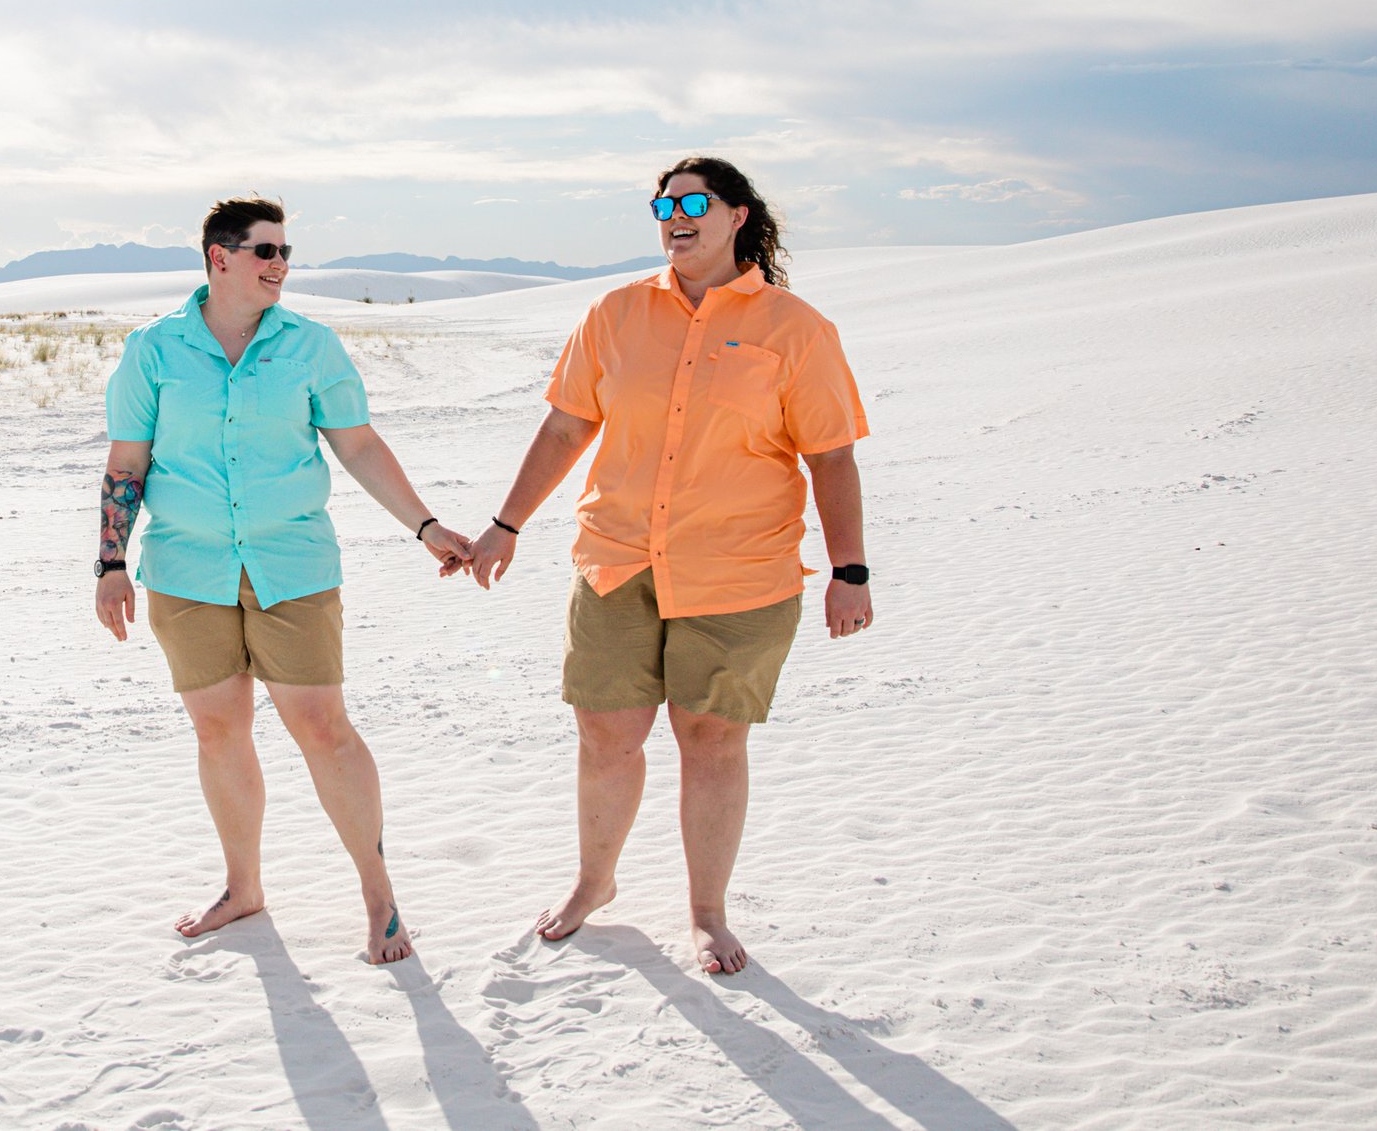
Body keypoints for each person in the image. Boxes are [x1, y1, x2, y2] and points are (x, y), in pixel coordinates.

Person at [467, 156, 872, 974]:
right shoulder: (615, 313)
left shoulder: (796, 329)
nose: (674, 214)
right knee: (604, 735)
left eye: (694, 201)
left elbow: (831, 457)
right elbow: (564, 428)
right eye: (663, 203)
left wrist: (849, 570)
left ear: (737, 216)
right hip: (617, 561)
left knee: (711, 739)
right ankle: (594, 881)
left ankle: (706, 911)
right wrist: (506, 523)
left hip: (740, 572)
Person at [95, 196, 475, 965]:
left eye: (285, 252)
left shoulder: (311, 346)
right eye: (265, 251)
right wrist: (109, 562)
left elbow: (359, 446)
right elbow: (127, 461)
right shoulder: (154, 350)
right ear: (219, 257)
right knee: (218, 730)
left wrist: (427, 526)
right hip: (186, 567)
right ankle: (244, 888)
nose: (280, 265)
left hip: (292, 564)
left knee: (322, 728)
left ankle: (379, 896)